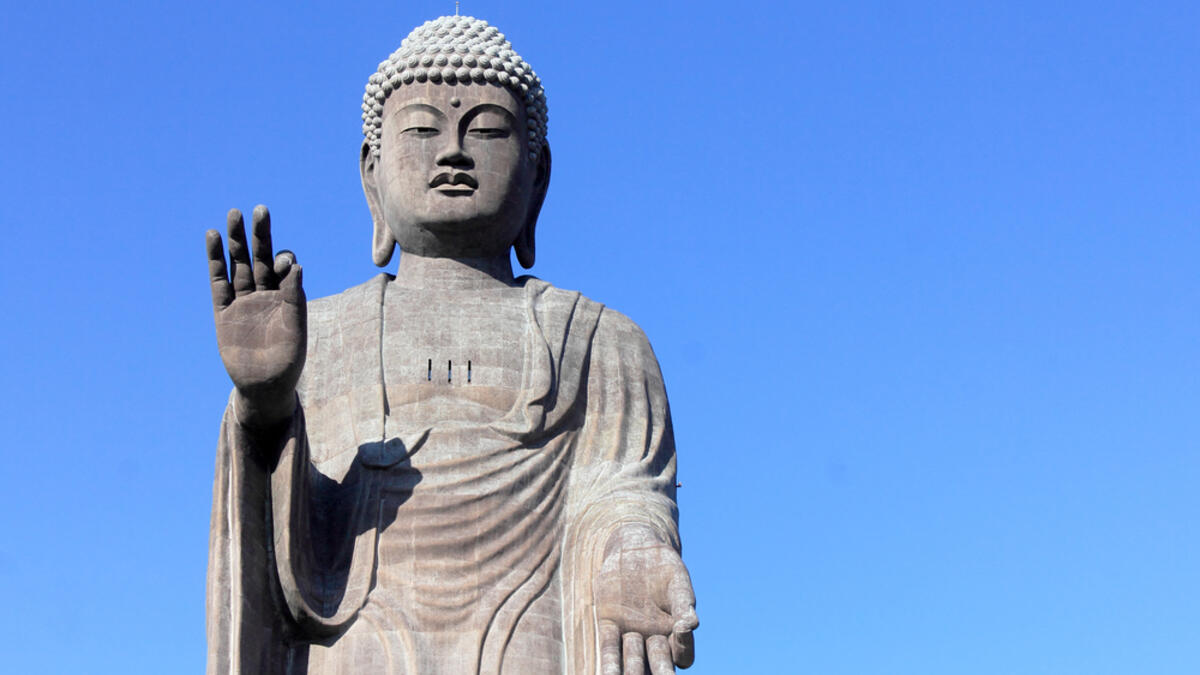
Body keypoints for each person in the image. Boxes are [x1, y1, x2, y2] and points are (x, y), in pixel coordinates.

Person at [204, 16, 697, 674]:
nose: (454, 153)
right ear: (371, 174)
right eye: (421, 130)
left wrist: (634, 548)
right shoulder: (316, 334)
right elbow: (287, 558)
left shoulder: (603, 341)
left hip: (531, 640)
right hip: (357, 643)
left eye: (488, 129)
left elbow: (623, 491)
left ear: (538, 173)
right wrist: (263, 405)